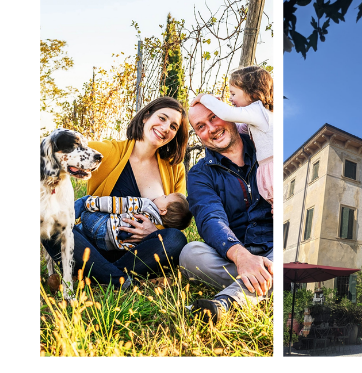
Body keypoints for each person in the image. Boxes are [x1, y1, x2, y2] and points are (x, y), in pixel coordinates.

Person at [42, 96, 190, 289]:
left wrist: (154, 231)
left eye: (173, 126)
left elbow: (178, 216)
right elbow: (58, 147)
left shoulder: (174, 168)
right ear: (146, 117)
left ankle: (97, 275)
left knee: (175, 239)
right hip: (91, 244)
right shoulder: (108, 151)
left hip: (136, 253)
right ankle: (121, 281)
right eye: (162, 118)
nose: (165, 128)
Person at [181, 100, 273, 323]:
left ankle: (226, 304)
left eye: (214, 117)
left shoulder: (266, 151)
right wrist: (242, 256)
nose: (211, 129)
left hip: (273, 249)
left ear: (229, 114)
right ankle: (267, 284)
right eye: (201, 126)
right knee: (190, 254)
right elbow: (209, 217)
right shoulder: (199, 174)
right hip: (233, 255)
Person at [190, 65, 274, 207]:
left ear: (251, 93)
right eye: (201, 126)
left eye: (233, 94)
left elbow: (227, 114)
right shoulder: (259, 117)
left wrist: (204, 98)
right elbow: (239, 128)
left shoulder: (258, 110)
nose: (230, 99)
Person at [74, 193, 192, 251]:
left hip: (101, 225)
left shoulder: (147, 205)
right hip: (106, 245)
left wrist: (91, 203)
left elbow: (119, 204)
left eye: (165, 197)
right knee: (81, 229)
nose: (162, 195)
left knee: (85, 202)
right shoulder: (158, 231)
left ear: (162, 211)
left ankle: (63, 217)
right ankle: (76, 228)